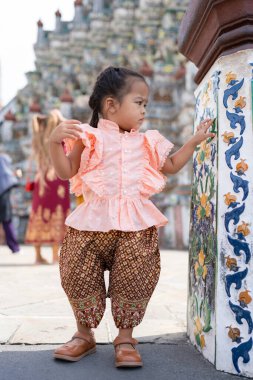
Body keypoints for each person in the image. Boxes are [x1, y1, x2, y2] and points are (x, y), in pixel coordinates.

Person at [49, 66, 214, 367]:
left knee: (135, 278)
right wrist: (52, 143)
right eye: (139, 103)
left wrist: (194, 140)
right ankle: (84, 335)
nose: (144, 111)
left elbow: (173, 164)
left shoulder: (147, 141)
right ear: (111, 105)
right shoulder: (89, 139)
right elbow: (65, 172)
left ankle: (125, 338)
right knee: (77, 273)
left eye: (146, 105)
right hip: (90, 225)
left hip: (135, 227)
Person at [25, 109, 70, 264]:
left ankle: (38, 255)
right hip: (57, 181)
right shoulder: (59, 140)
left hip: (41, 182)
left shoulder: (40, 138)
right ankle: (54, 255)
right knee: (57, 212)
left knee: (39, 213)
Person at [0, 152, 20, 254]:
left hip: (3, 194)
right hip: (4, 195)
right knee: (7, 220)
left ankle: (14, 247)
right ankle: (14, 247)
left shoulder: (3, 159)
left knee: (7, 220)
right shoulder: (3, 159)